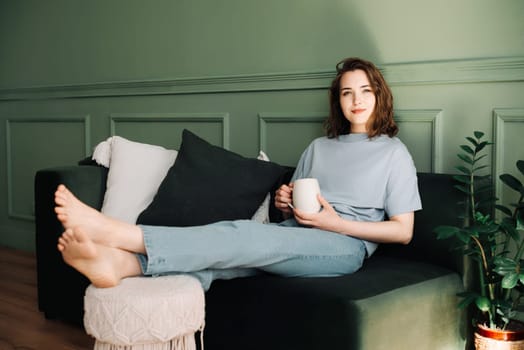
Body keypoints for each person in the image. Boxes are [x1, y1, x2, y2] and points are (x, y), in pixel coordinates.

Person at [55, 57, 422, 290]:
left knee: (244, 235)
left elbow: (403, 232)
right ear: (338, 102)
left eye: (365, 90)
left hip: (345, 246)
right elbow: (297, 207)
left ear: (379, 96)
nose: (356, 100)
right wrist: (286, 203)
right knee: (230, 259)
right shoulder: (319, 148)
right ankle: (122, 264)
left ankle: (119, 233)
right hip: (298, 232)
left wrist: (335, 223)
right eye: (346, 93)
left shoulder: (393, 153)